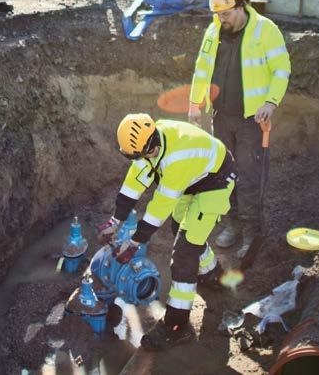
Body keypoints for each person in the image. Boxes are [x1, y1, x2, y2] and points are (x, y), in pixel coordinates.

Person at [97, 113, 237, 351]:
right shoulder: (149, 141)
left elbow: (160, 206)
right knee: (180, 228)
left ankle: (177, 325)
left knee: (184, 253)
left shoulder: (176, 158)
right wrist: (114, 220)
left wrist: (134, 243)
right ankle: (212, 272)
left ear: (151, 146)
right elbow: (134, 182)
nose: (139, 160)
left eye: (141, 156)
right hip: (196, 178)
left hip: (216, 181)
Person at [188, 0, 291, 263]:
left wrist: (271, 102)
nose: (222, 19)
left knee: (248, 177)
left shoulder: (264, 30)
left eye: (226, 13)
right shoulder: (214, 31)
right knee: (225, 176)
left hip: (251, 120)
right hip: (221, 116)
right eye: (218, 14)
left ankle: (252, 233)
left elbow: (281, 68)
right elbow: (201, 68)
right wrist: (196, 103)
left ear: (241, 6)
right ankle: (231, 224)